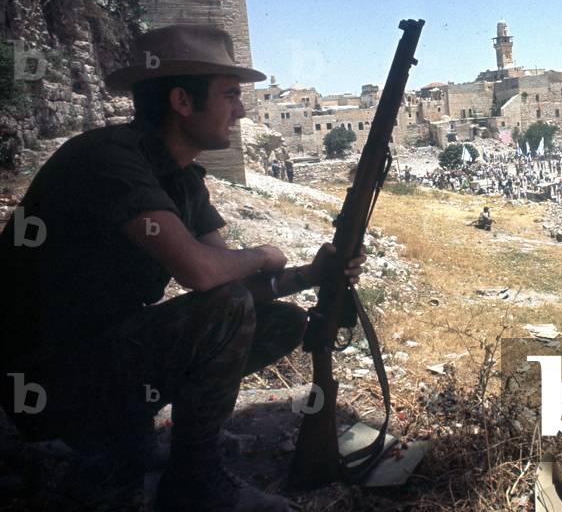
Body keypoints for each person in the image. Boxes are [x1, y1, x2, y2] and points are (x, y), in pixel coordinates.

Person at [0, 26, 367, 511]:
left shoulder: (182, 179)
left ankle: (143, 439)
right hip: (43, 383)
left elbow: (229, 280)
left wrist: (309, 275)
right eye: (230, 95)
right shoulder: (110, 160)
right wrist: (261, 254)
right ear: (182, 101)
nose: (241, 110)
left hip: (102, 355)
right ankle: (194, 479)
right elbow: (202, 273)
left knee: (282, 322)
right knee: (230, 308)